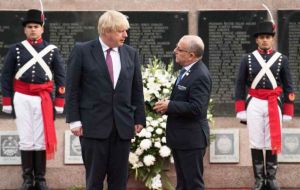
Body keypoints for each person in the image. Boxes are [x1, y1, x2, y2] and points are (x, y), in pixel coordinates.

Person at [65, 10, 146, 190]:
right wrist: (74, 120)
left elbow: (136, 88)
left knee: (119, 181)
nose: (125, 35)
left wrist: (139, 118)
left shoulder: (130, 53)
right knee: (94, 180)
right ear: (107, 30)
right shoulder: (82, 51)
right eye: (121, 31)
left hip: (122, 128)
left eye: (126, 30)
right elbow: (72, 89)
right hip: (93, 127)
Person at [1, 9, 65, 190]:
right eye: (29, 27)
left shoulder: (52, 50)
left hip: (43, 99)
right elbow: (6, 75)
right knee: (26, 138)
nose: (33, 30)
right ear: (25, 30)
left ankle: (41, 179)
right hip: (21, 97)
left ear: (42, 29)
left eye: (36, 26)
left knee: (41, 138)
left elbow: (61, 76)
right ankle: (27, 179)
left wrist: (60, 100)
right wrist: (6, 100)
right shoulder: (16, 49)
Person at [235, 21, 295, 190]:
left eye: (267, 37)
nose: (264, 40)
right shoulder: (246, 59)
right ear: (257, 40)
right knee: (255, 141)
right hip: (254, 102)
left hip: (273, 103)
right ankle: (259, 179)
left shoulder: (282, 59)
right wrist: (240, 109)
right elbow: (240, 85)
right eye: (261, 37)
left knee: (272, 140)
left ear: (272, 39)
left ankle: (271, 178)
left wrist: (288, 110)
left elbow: (288, 85)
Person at [154, 35, 212, 190]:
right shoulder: (187, 71)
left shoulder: (200, 75)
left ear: (191, 55)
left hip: (191, 140)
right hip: (182, 138)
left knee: (193, 184)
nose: (174, 51)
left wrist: (170, 106)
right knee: (183, 184)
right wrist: (166, 106)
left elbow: (197, 108)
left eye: (179, 49)